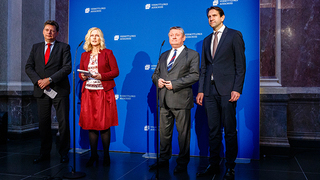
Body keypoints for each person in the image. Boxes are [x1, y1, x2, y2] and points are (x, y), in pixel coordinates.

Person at [196, 6, 246, 179]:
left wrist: (237, 89)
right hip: (209, 92)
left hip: (227, 91)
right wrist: (201, 90)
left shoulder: (234, 35)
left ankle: (230, 167)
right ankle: (214, 164)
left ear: (222, 17)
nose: (211, 19)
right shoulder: (206, 40)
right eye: (209, 16)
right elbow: (204, 68)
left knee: (230, 130)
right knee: (213, 130)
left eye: (214, 16)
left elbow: (240, 65)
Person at [150, 26, 199, 173]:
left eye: (177, 35)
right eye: (171, 35)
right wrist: (157, 81)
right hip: (164, 100)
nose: (174, 37)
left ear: (184, 38)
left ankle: (182, 163)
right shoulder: (164, 55)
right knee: (164, 133)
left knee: (183, 134)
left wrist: (175, 84)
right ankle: (164, 159)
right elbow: (155, 74)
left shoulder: (192, 54)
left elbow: (195, 75)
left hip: (181, 100)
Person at [25, 20, 71, 164]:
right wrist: (39, 81)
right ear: (43, 31)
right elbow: (28, 67)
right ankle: (44, 153)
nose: (49, 32)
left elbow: (67, 68)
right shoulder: (36, 47)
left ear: (57, 33)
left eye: (52, 30)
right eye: (47, 30)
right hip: (41, 90)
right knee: (44, 123)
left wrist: (49, 80)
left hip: (59, 90)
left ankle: (64, 153)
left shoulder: (64, 47)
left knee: (63, 123)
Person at [78, 27, 119, 167]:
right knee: (91, 125)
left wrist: (102, 76)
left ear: (100, 38)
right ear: (88, 38)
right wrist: (82, 76)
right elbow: (81, 73)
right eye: (91, 35)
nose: (94, 38)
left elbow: (115, 71)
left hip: (103, 93)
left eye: (97, 35)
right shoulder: (84, 55)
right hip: (88, 93)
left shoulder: (108, 53)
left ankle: (106, 155)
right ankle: (93, 155)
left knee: (104, 124)